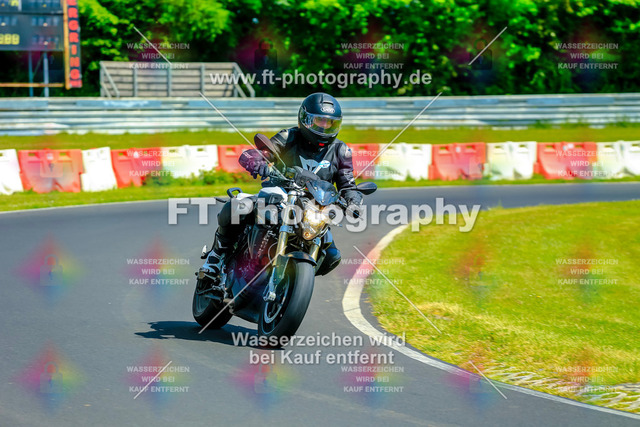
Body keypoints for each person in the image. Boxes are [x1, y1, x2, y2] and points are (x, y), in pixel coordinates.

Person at [204, 92, 363, 275]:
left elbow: (348, 185)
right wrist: (258, 160)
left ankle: (293, 279)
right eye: (320, 121)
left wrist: (353, 202)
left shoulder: (341, 151)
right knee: (239, 205)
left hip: (314, 210)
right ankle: (216, 256)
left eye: (330, 123)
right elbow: (266, 152)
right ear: (305, 119)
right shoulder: (289, 137)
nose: (324, 127)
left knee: (331, 255)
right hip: (279, 197)